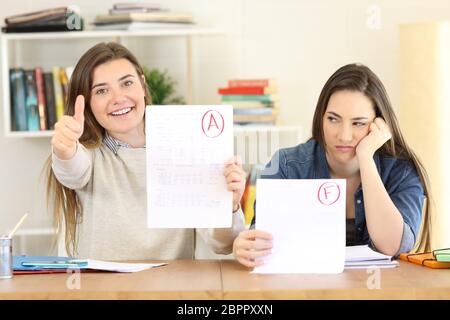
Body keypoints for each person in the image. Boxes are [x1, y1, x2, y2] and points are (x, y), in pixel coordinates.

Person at [45, 42, 246, 260]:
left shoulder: (186, 148)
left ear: (142, 84)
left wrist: (230, 205)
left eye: (127, 83)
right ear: (87, 102)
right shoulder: (86, 154)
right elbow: (72, 171)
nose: (118, 98)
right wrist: (64, 150)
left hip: (170, 291)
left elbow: (224, 245)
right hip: (104, 291)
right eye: (102, 90)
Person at [232, 63, 431, 268]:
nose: (344, 136)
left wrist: (366, 157)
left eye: (358, 123)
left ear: (378, 125)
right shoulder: (287, 166)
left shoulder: (401, 171)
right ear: (321, 117)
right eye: (333, 119)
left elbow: (392, 246)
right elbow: (261, 241)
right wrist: (247, 246)